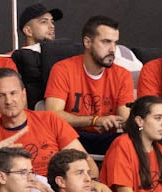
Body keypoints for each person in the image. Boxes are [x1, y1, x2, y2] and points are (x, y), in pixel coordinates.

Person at [44, 16, 133, 152]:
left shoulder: (122, 75)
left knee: (131, 141)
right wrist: (94, 121)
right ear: (87, 42)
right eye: (106, 42)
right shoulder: (63, 69)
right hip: (70, 137)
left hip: (108, 138)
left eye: (115, 43)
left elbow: (125, 118)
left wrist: (132, 123)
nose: (112, 49)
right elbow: (53, 115)